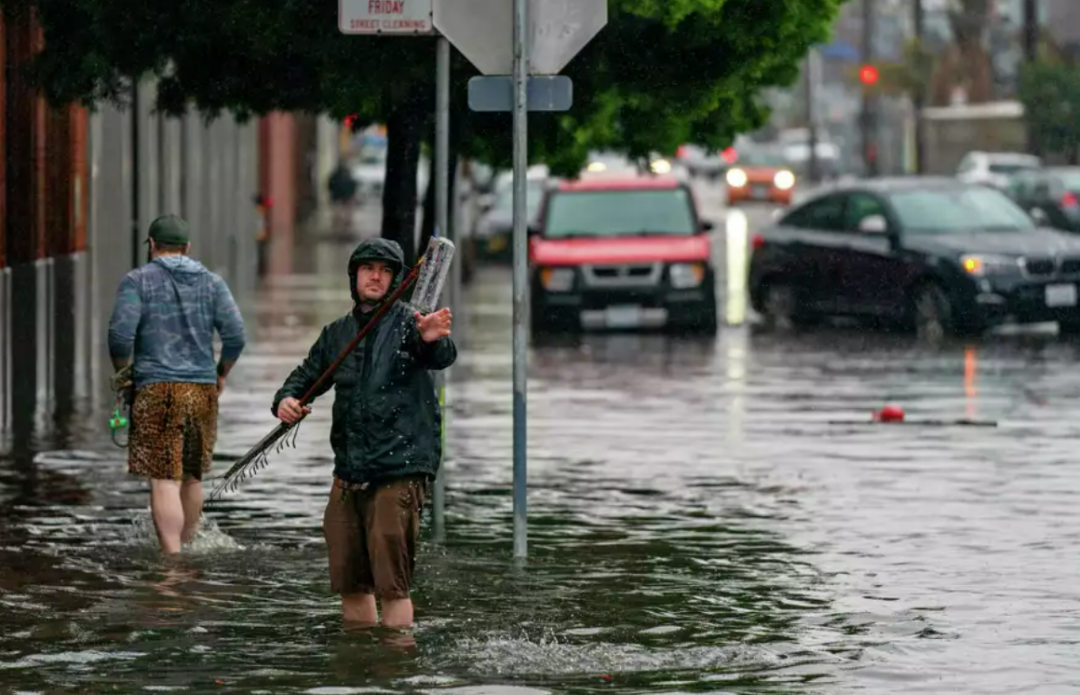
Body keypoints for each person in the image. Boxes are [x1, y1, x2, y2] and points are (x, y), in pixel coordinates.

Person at [272, 238, 455, 628]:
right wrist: (286, 401)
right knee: (351, 584)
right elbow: (304, 379)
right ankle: (357, 667)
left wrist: (432, 336)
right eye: (368, 268)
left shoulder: (412, 323)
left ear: (396, 279)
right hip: (349, 473)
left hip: (399, 471)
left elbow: (440, 355)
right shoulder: (336, 334)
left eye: (386, 270)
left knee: (393, 585)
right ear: (353, 276)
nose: (376, 276)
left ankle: (395, 667)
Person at [107, 214, 246, 554]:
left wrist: (124, 373)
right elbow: (235, 336)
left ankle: (172, 560)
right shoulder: (213, 283)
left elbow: (120, 336)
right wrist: (221, 373)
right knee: (192, 474)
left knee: (163, 478)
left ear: (152, 246)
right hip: (201, 390)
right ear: (187, 247)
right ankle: (189, 544)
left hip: (157, 389)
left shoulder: (137, 281)